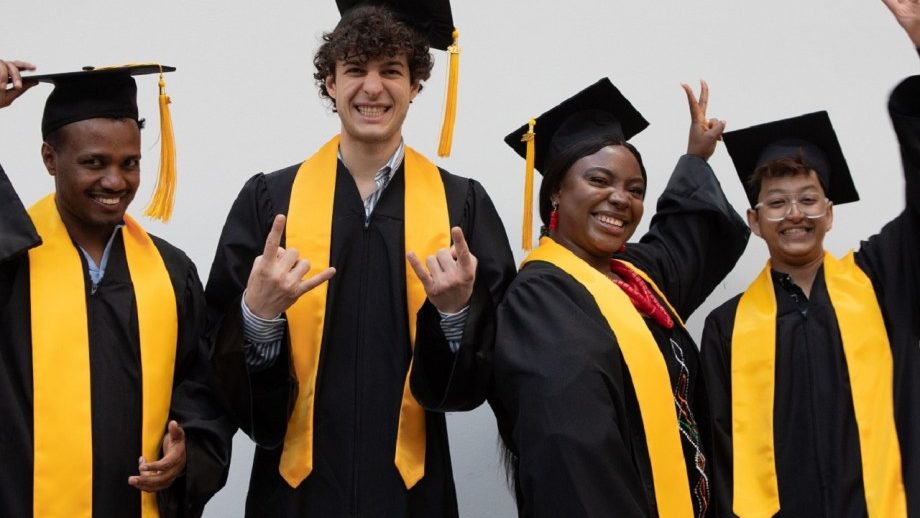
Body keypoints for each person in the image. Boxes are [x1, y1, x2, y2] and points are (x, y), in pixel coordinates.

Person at [204, 2, 515, 516]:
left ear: (416, 84)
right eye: (355, 69)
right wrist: (257, 319)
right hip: (295, 495)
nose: (372, 87)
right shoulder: (270, 201)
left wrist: (457, 315)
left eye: (391, 70)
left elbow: (486, 374)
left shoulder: (460, 205)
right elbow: (215, 356)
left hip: (412, 494)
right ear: (329, 81)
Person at [491, 77, 749, 518]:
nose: (621, 199)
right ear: (556, 189)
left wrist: (695, 158)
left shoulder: (637, 278)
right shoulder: (540, 299)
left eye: (635, 189)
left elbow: (682, 238)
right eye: (599, 180)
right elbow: (571, 451)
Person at [701, 2, 920, 516]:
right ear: (755, 221)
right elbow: (721, 457)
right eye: (776, 203)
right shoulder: (726, 328)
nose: (793, 214)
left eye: (807, 199)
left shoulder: (883, 280)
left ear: (829, 212)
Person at [0, 61, 231, 517]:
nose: (115, 181)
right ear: (50, 158)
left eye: (130, 163)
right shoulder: (10, 266)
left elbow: (202, 386)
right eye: (94, 163)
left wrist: (186, 451)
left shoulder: (170, 272)